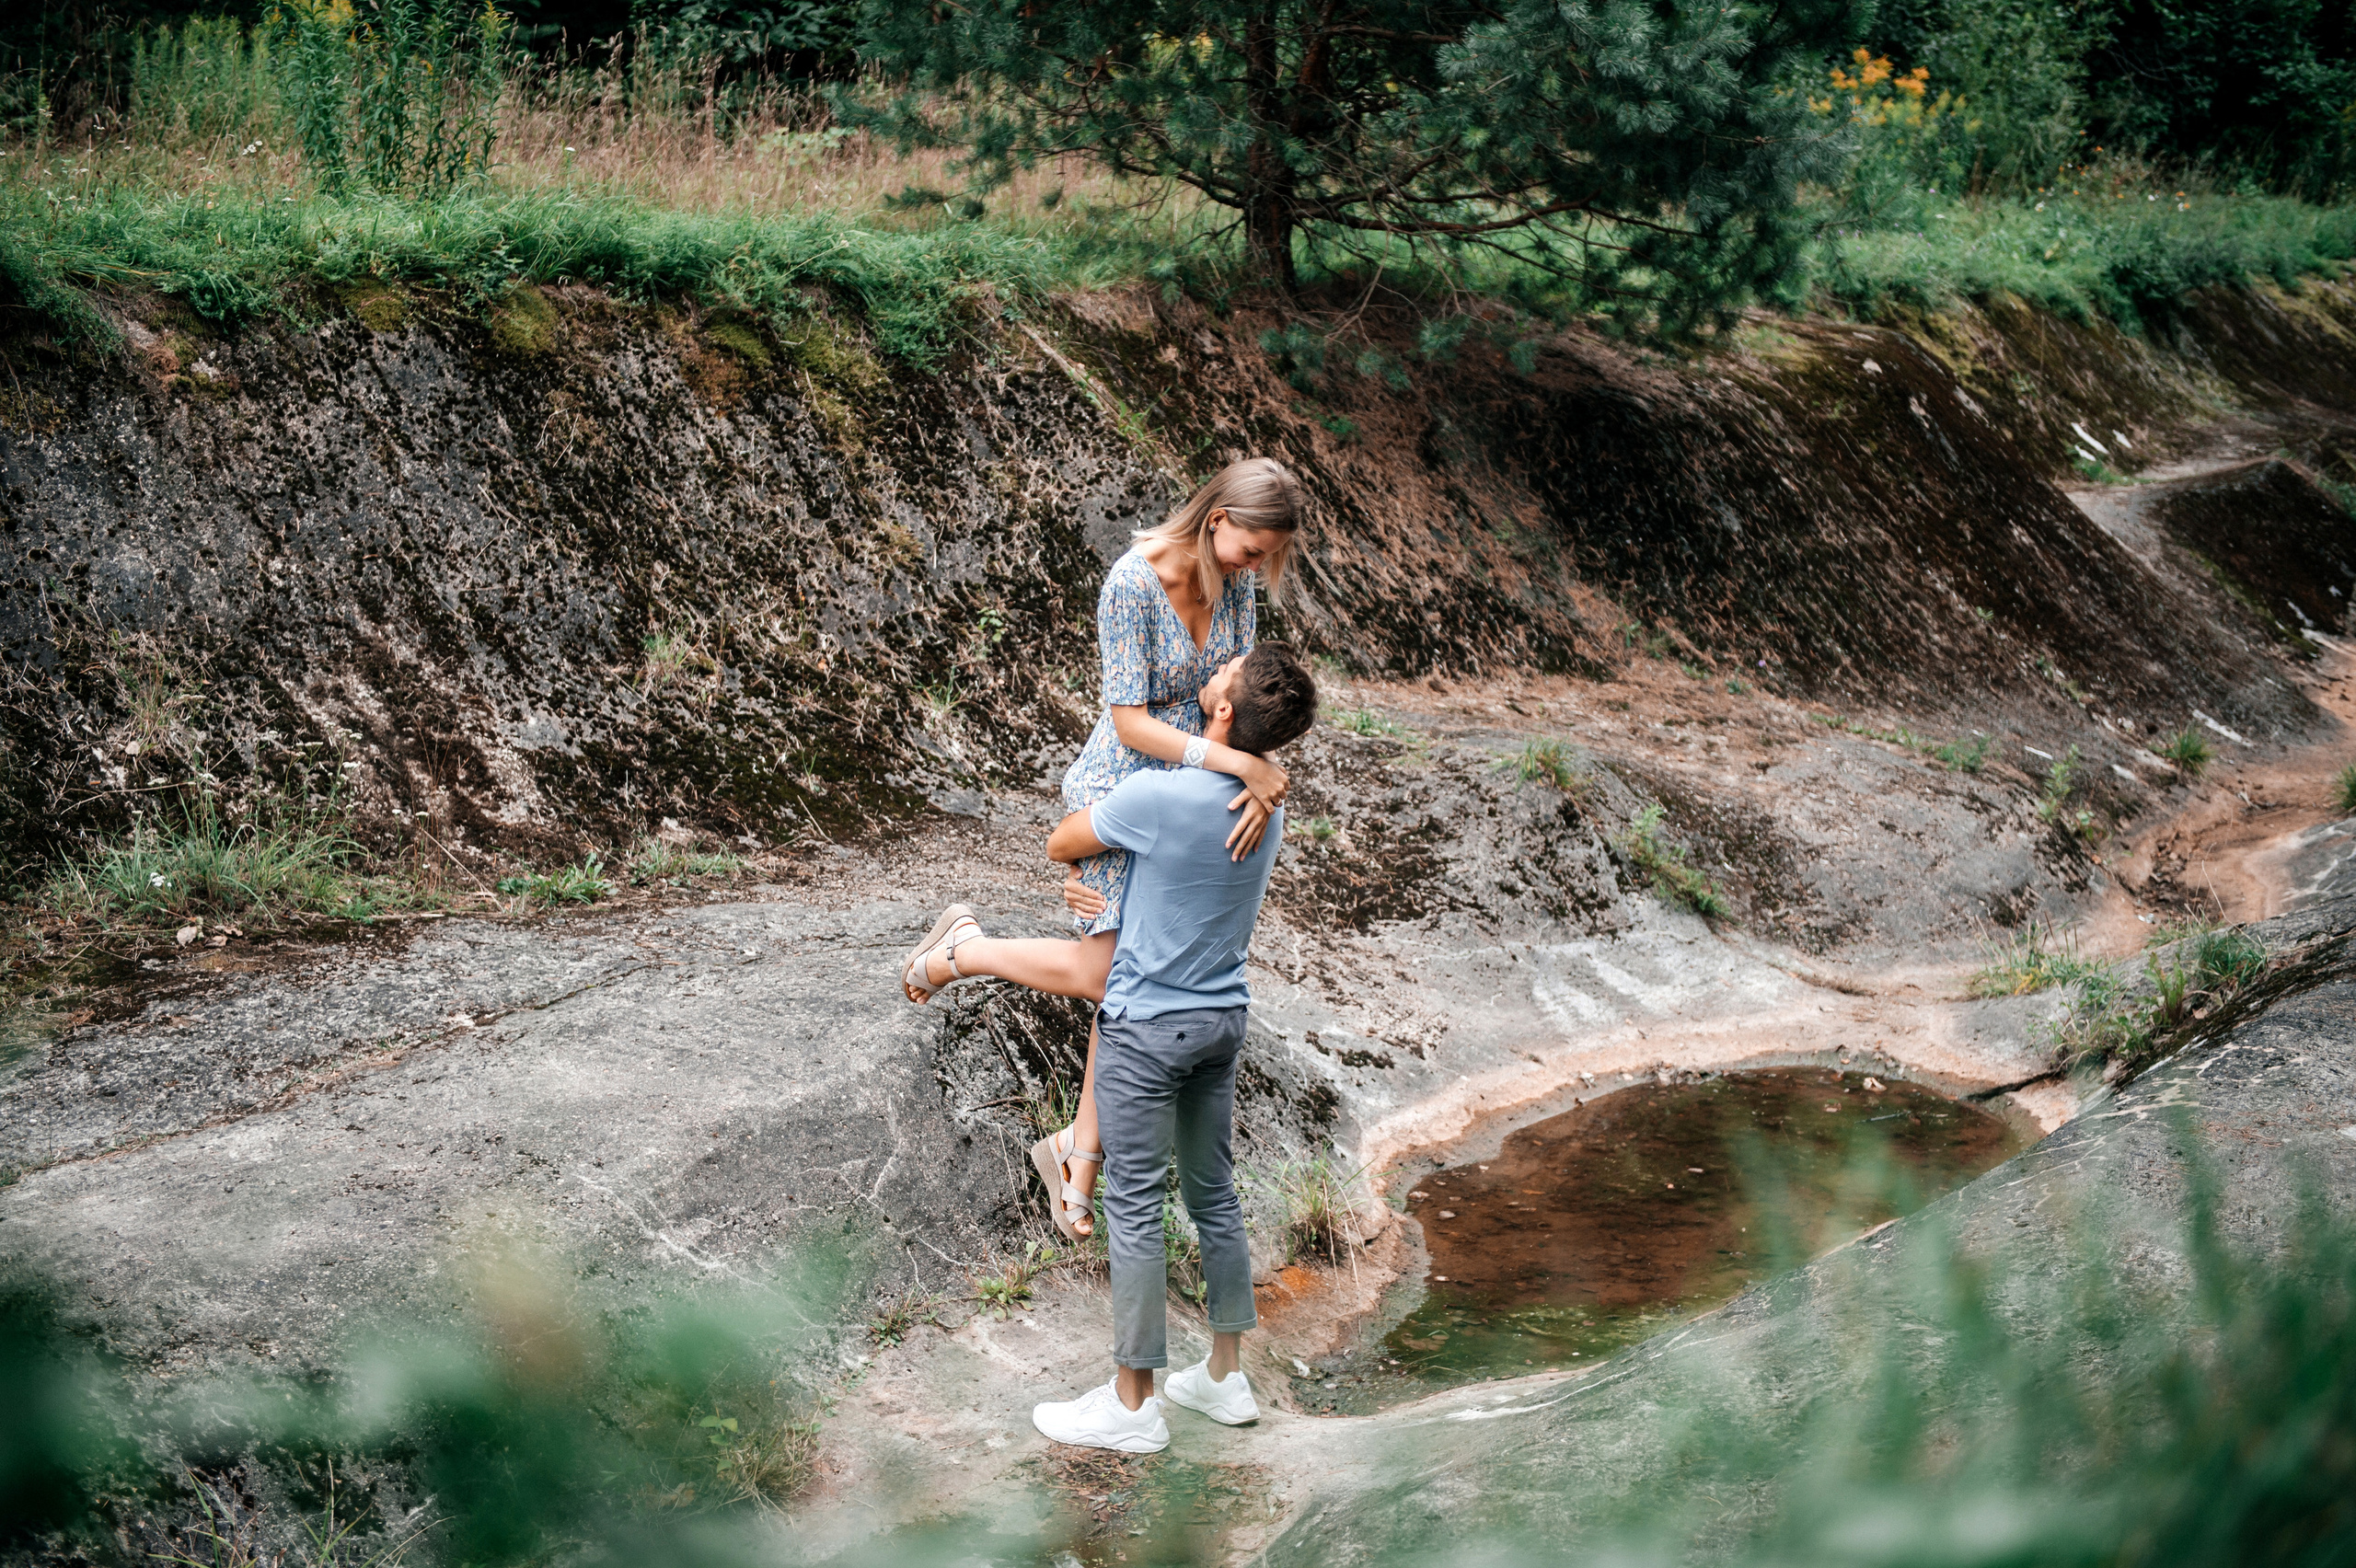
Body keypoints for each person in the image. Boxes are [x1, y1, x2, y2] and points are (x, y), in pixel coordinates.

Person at [898, 458, 1301, 1245]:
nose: (1256, 569)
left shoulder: (1239, 585)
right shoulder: (1131, 583)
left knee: (1134, 972)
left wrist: (1257, 769)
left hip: (1191, 795)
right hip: (1127, 785)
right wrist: (1241, 768)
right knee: (1107, 973)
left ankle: (1076, 1162)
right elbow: (1129, 725)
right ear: (1216, 517)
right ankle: (963, 948)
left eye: (1265, 557)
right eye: (1251, 549)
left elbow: (1237, 693)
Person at [992, 641, 1317, 1451]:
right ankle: (1224, 1377)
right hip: (1222, 1020)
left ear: (1222, 712)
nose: (1212, 669)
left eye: (1224, 672)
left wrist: (1094, 863)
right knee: (1214, 1193)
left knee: (1134, 1206)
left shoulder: (1157, 796)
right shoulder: (1264, 807)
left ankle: (1133, 1407)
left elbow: (1061, 842)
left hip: (1147, 1028)